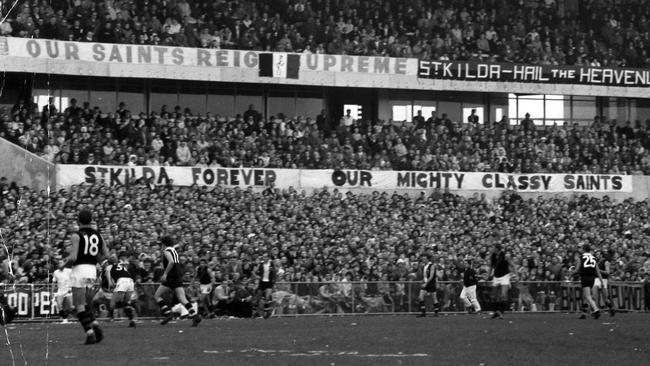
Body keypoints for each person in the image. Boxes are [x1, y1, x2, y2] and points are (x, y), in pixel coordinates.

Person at [66, 209, 109, 345]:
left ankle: (90, 334)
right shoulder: (98, 235)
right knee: (86, 304)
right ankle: (96, 327)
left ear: (78, 221)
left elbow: (73, 257)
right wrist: (95, 260)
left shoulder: (76, 236)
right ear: (91, 220)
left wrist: (63, 265)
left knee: (79, 306)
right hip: (92, 271)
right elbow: (106, 254)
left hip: (79, 270)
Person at [153, 236, 201, 326]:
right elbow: (176, 247)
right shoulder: (173, 249)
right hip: (177, 276)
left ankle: (168, 314)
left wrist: (165, 274)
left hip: (171, 276)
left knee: (157, 296)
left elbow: (171, 262)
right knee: (182, 299)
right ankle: (195, 316)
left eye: (161, 244)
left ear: (163, 244)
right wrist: (182, 243)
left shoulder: (167, 251)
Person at [571, 244, 603, 319]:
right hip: (592, 278)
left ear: (584, 249)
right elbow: (597, 271)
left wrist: (571, 273)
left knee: (587, 296)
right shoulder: (594, 258)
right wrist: (601, 280)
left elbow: (577, 269)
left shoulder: (580, 258)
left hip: (585, 277)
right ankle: (584, 313)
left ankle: (596, 310)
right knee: (586, 296)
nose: (580, 249)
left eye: (581, 248)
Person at [108, 251, 137, 327]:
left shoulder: (110, 266)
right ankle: (132, 320)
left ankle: (111, 318)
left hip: (122, 281)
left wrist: (110, 282)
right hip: (130, 281)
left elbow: (108, 274)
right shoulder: (122, 265)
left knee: (113, 303)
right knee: (125, 303)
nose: (113, 257)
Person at [488, 242, 516, 319]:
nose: (492, 249)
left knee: (503, 295)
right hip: (496, 277)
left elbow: (513, 265)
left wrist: (516, 276)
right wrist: (488, 275)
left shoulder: (505, 256)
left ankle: (501, 312)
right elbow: (491, 266)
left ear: (497, 249)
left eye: (493, 248)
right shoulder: (493, 256)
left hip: (504, 276)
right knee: (493, 296)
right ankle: (496, 312)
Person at [593, 248, 615, 316]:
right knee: (595, 295)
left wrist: (598, 270)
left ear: (601, 255)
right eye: (596, 254)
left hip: (603, 280)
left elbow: (608, 272)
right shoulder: (595, 262)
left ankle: (611, 308)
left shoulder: (606, 262)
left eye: (598, 254)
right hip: (596, 279)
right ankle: (596, 311)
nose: (597, 255)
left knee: (605, 299)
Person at [417, 253, 440, 317]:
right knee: (420, 297)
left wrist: (426, 283)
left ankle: (436, 313)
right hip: (426, 283)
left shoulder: (432, 266)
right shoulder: (424, 266)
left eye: (424, 259)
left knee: (434, 298)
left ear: (428, 259)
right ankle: (423, 312)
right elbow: (425, 276)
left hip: (431, 284)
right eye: (423, 259)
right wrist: (422, 280)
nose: (423, 260)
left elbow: (431, 276)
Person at [52, 259, 73, 323]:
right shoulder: (55, 272)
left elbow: (74, 278)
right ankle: (64, 319)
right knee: (59, 305)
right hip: (60, 291)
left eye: (61, 263)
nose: (60, 264)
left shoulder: (69, 271)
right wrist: (51, 292)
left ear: (64, 264)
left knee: (70, 307)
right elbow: (53, 282)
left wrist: (71, 287)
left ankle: (66, 316)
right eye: (59, 263)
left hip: (68, 290)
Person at [256, 252, 276, 319]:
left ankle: (267, 312)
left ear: (268, 258)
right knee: (259, 297)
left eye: (265, 257)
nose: (264, 258)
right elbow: (258, 272)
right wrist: (258, 276)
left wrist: (273, 280)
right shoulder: (261, 264)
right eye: (263, 257)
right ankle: (258, 312)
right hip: (262, 282)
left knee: (267, 297)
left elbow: (274, 272)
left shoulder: (271, 264)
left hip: (269, 282)